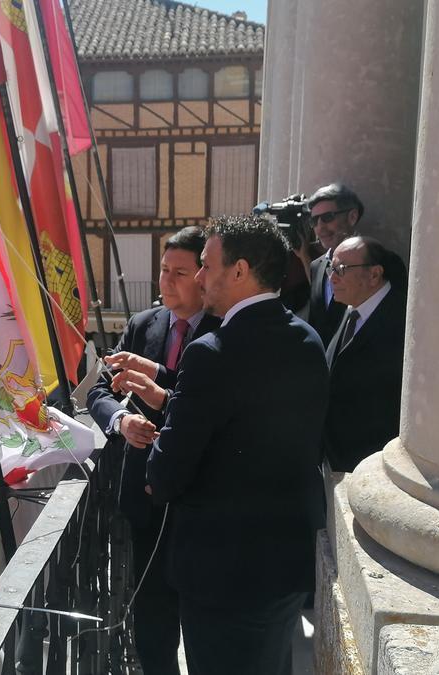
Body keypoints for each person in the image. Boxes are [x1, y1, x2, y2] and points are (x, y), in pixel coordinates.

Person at [118, 215, 329, 674]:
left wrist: (154, 450)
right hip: (284, 564)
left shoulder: (212, 351)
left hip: (222, 574)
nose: (197, 277)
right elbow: (252, 423)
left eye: (206, 265)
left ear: (240, 271)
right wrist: (173, 397)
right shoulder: (308, 339)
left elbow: (166, 473)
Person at [85, 226, 220, 675]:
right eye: (163, 270)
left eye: (179, 272)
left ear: (204, 276)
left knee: (203, 621)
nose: (166, 281)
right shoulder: (144, 324)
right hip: (145, 498)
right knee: (152, 622)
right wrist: (120, 422)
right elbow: (98, 390)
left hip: (204, 504)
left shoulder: (227, 328)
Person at [323, 236, 408, 472]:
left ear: (374, 275)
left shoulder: (403, 320)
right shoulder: (351, 307)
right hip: (336, 459)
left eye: (341, 269)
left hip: (370, 463)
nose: (332, 278)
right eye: (331, 268)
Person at [306, 183, 365, 345]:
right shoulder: (316, 267)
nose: (320, 228)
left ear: (352, 217)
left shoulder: (379, 262)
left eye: (327, 217)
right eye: (314, 221)